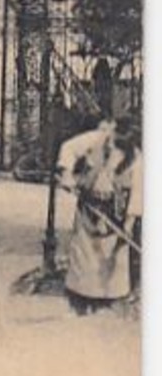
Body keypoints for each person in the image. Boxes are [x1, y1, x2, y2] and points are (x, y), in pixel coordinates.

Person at [57, 115, 142, 315]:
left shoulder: (137, 160)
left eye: (118, 145)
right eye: (112, 139)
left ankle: (108, 301)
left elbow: (138, 195)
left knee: (113, 256)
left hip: (116, 212)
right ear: (111, 129)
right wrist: (67, 174)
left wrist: (128, 226)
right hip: (89, 206)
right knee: (85, 252)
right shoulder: (95, 138)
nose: (111, 146)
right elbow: (68, 148)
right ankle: (79, 298)